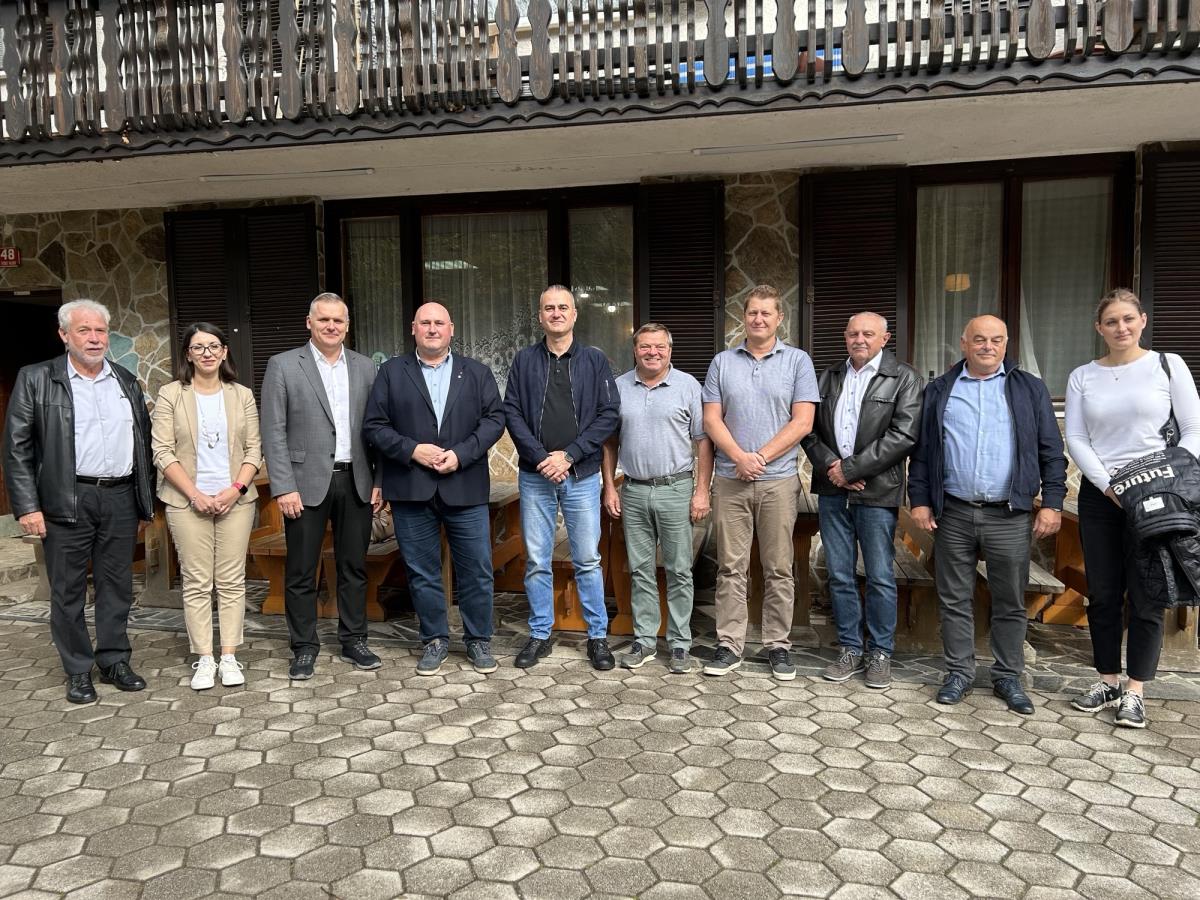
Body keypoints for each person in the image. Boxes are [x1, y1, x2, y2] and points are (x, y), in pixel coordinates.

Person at [908, 315, 1066, 715]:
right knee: (954, 597)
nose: (987, 346)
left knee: (1010, 600)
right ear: (964, 343)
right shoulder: (940, 389)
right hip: (953, 512)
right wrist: (920, 500)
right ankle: (958, 673)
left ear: (1006, 344)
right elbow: (924, 451)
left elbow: (1051, 450)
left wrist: (1052, 502)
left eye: (996, 340)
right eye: (979, 339)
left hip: (1008, 514)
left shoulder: (1028, 388)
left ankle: (1008, 676)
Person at [2, 300, 155, 704]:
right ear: (64, 335)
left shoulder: (125, 379)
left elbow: (143, 443)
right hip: (66, 498)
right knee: (68, 590)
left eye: (100, 330)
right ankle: (77, 669)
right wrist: (27, 507)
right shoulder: (37, 378)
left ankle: (114, 660)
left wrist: (143, 502)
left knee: (117, 586)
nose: (94, 338)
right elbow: (16, 448)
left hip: (120, 496)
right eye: (84, 330)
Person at [1065, 289, 1200, 728]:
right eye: (1111, 321)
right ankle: (1107, 680)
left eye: (1128, 319)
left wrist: (1168, 479)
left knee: (1147, 594)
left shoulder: (1167, 365)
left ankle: (1136, 690)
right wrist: (1108, 485)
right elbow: (1077, 437)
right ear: (1099, 328)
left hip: (1157, 497)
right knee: (1103, 592)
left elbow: (1193, 429)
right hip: (1102, 496)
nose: (1120, 327)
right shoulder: (1083, 376)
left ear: (1142, 320)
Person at [363, 302, 505, 676]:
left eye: (439, 323)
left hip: (465, 485)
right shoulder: (392, 372)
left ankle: (478, 640)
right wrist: (413, 450)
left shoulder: (476, 373)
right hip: (411, 487)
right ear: (413, 328)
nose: (432, 329)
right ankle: (435, 640)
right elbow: (374, 426)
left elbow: (494, 421)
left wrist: (461, 454)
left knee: (476, 569)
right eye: (425, 322)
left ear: (451, 329)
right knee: (421, 571)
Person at [260, 293, 383, 680]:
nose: (331, 326)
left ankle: (354, 639)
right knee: (301, 569)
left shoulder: (365, 367)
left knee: (353, 567)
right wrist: (283, 486)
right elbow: (273, 431)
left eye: (338, 320)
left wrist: (379, 480)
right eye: (324, 319)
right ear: (309, 323)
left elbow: (378, 428)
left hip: (356, 479)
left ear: (347, 326)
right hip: (304, 484)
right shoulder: (283, 365)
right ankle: (303, 646)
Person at [701, 284, 819, 680]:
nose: (759, 319)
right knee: (730, 567)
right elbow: (711, 419)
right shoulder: (722, 362)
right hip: (730, 479)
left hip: (778, 481)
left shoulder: (798, 361)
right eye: (752, 312)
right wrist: (739, 457)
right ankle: (729, 644)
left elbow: (803, 422)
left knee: (779, 567)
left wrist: (760, 458)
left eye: (766, 313)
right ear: (744, 316)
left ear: (779, 318)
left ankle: (777, 645)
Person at [802, 312, 923, 689]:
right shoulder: (828, 376)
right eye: (853, 333)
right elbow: (808, 430)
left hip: (877, 490)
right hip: (833, 490)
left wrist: (852, 468)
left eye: (868, 334)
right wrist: (832, 467)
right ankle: (850, 648)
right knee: (839, 574)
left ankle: (880, 652)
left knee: (879, 575)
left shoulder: (904, 377)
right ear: (845, 336)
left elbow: (904, 435)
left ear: (884, 338)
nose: (860, 339)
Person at [503, 285, 620, 670]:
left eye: (563, 307)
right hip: (535, 475)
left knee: (587, 558)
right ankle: (540, 634)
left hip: (581, 474)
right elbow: (511, 412)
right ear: (540, 316)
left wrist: (569, 455)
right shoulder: (524, 361)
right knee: (537, 559)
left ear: (574, 314)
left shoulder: (594, 361)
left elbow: (608, 413)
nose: (556, 313)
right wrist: (541, 458)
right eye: (549, 308)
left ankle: (597, 636)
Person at [151, 323, 262, 691]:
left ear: (224, 351)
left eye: (214, 346)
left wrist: (235, 489)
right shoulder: (171, 394)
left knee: (231, 580)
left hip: (236, 501)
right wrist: (195, 494)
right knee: (198, 581)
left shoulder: (241, 394)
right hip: (187, 502)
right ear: (188, 354)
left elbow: (254, 449)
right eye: (198, 347)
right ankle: (204, 657)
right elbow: (161, 450)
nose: (207, 353)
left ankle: (228, 656)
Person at [601, 324, 714, 674]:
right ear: (635, 350)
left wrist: (702, 490)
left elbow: (703, 442)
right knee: (640, 570)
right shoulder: (619, 387)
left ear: (669, 350)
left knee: (679, 569)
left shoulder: (688, 386)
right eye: (645, 346)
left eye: (660, 347)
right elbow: (609, 443)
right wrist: (610, 487)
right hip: (633, 490)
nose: (653, 352)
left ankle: (679, 643)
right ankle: (645, 640)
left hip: (676, 489)